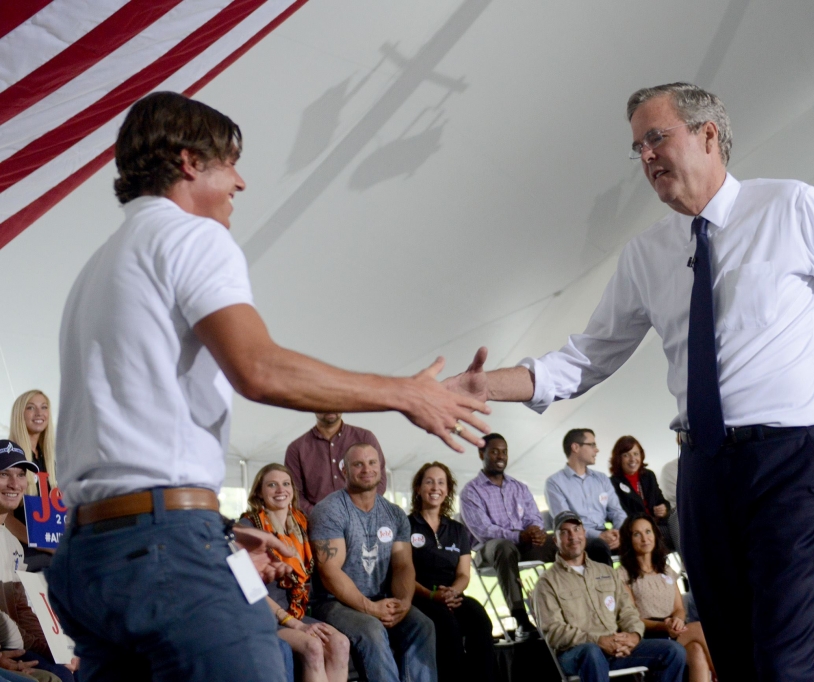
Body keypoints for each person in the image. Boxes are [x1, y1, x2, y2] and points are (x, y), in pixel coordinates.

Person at [442, 81, 814, 681]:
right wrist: (482, 387)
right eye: (638, 148)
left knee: (788, 660)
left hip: (794, 462)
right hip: (704, 469)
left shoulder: (790, 207)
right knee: (735, 653)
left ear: (709, 135)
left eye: (657, 137)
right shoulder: (646, 255)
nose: (647, 156)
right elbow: (583, 358)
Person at [50, 91, 488, 682]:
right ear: (187, 162)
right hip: (163, 548)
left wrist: (220, 531)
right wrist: (405, 392)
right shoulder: (191, 237)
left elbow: (126, 436)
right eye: (229, 162)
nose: (241, 182)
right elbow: (258, 368)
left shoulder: (98, 265)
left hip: (89, 555)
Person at [308, 443, 436, 682]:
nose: (366, 469)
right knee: (372, 629)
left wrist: (404, 603)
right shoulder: (329, 510)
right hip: (333, 603)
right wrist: (370, 608)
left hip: (379, 598)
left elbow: (403, 565)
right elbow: (329, 571)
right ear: (344, 471)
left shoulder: (395, 514)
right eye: (358, 464)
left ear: (381, 468)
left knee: (423, 625)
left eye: (372, 463)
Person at [533, 511, 686, 682]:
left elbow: (628, 612)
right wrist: (598, 641)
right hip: (577, 652)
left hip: (616, 646)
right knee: (591, 652)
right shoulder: (547, 583)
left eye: (577, 529)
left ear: (584, 533)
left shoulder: (606, 572)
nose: (573, 536)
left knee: (673, 651)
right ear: (556, 540)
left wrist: (633, 636)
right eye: (565, 532)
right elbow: (554, 632)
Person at [238, 463, 350, 682]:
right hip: (265, 615)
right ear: (259, 492)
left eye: (286, 484)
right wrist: (294, 623)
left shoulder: (302, 524)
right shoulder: (246, 527)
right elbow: (249, 587)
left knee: (340, 643)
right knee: (313, 646)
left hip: (297, 613)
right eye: (272, 485)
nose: (281, 490)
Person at [407, 462, 496, 682]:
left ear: (447, 490)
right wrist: (431, 595)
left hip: (453, 596)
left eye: (440, 482)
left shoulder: (457, 529)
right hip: (421, 596)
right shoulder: (407, 525)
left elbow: (464, 574)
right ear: (418, 488)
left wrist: (453, 593)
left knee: (480, 619)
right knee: (447, 626)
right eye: (429, 482)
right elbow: (403, 573)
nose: (435, 487)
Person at [460, 433, 554, 637]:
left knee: (564, 541)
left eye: (504, 451)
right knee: (503, 546)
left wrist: (536, 531)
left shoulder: (519, 487)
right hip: (489, 551)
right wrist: (520, 536)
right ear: (481, 453)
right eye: (494, 451)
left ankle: (567, 610)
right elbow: (484, 531)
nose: (500, 456)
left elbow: (534, 517)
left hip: (524, 545)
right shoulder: (471, 492)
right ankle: (521, 619)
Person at [0, 442, 79, 682]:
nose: (15, 484)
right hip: (8, 646)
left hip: (12, 643)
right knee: (57, 677)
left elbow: (20, 609)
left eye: (21, 475)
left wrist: (59, 649)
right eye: (4, 474)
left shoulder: (12, 542)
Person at [617, 513, 713, 682]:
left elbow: (679, 609)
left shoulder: (666, 570)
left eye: (648, 532)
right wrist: (664, 626)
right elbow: (632, 618)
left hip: (674, 629)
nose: (644, 538)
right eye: (637, 534)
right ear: (629, 539)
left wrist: (677, 620)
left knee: (697, 651)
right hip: (648, 634)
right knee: (698, 628)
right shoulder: (622, 573)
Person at [544, 429, 627, 566]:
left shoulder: (601, 479)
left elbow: (617, 511)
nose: (597, 450)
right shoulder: (555, 482)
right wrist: (598, 536)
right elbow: (566, 522)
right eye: (592, 445)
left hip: (606, 534)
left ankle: (646, 586)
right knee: (598, 546)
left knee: (642, 540)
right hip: (578, 538)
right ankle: (608, 587)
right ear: (575, 447)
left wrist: (618, 533)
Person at [285, 413, 386, 514]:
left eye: (334, 402)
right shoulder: (297, 448)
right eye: (323, 403)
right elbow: (295, 493)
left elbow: (379, 479)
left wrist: (361, 511)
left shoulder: (364, 437)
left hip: (365, 518)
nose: (330, 408)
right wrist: (320, 514)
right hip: (318, 524)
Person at [5, 390, 58, 571]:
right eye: (31, 408)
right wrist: (42, 544)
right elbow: (5, 519)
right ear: (20, 414)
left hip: (53, 547)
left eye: (44, 407)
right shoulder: (9, 455)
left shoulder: (50, 459)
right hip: (24, 549)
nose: (39, 413)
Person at [608, 437, 673, 550]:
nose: (633, 459)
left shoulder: (648, 476)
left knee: (677, 517)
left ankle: (689, 562)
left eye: (636, 454)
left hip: (659, 525)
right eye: (626, 455)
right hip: (637, 530)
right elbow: (621, 514)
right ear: (619, 459)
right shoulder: (613, 483)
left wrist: (664, 508)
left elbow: (661, 500)